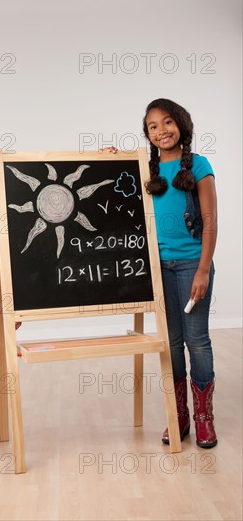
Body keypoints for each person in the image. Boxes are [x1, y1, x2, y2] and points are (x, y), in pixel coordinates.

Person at [104, 98, 218, 448]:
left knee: (196, 340)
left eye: (167, 123)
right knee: (169, 343)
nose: (161, 131)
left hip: (191, 265)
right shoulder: (146, 169)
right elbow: (119, 187)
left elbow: (211, 221)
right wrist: (110, 157)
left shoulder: (198, 166)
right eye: (153, 127)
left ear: (181, 124)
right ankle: (178, 413)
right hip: (156, 268)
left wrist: (202, 270)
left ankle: (203, 416)